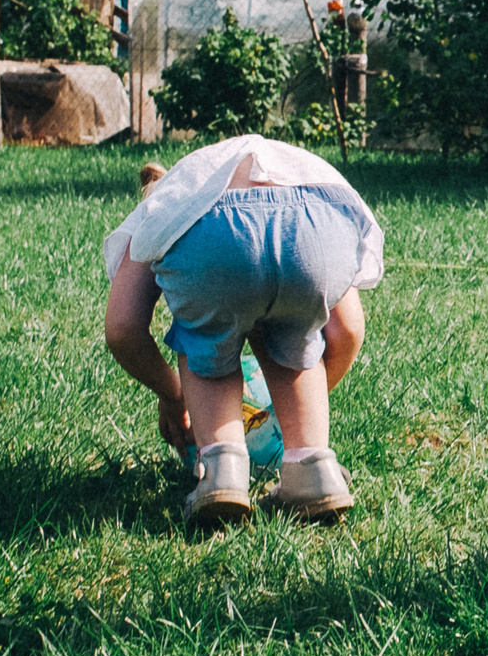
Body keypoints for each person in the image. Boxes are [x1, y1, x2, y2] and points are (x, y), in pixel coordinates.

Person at [103, 135, 384, 525]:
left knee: (205, 336)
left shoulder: (169, 204)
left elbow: (122, 328)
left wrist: (174, 394)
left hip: (214, 232)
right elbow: (347, 331)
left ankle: (222, 471)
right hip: (322, 218)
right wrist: (287, 411)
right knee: (294, 331)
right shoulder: (289, 169)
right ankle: (313, 469)